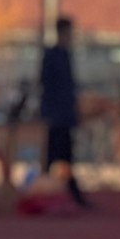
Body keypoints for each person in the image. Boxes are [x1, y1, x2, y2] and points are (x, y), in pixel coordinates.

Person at [41, 16, 90, 208]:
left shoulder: (66, 56)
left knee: (65, 156)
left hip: (65, 116)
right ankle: (45, 194)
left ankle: (66, 193)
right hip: (55, 117)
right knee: (53, 157)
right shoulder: (52, 56)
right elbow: (47, 85)